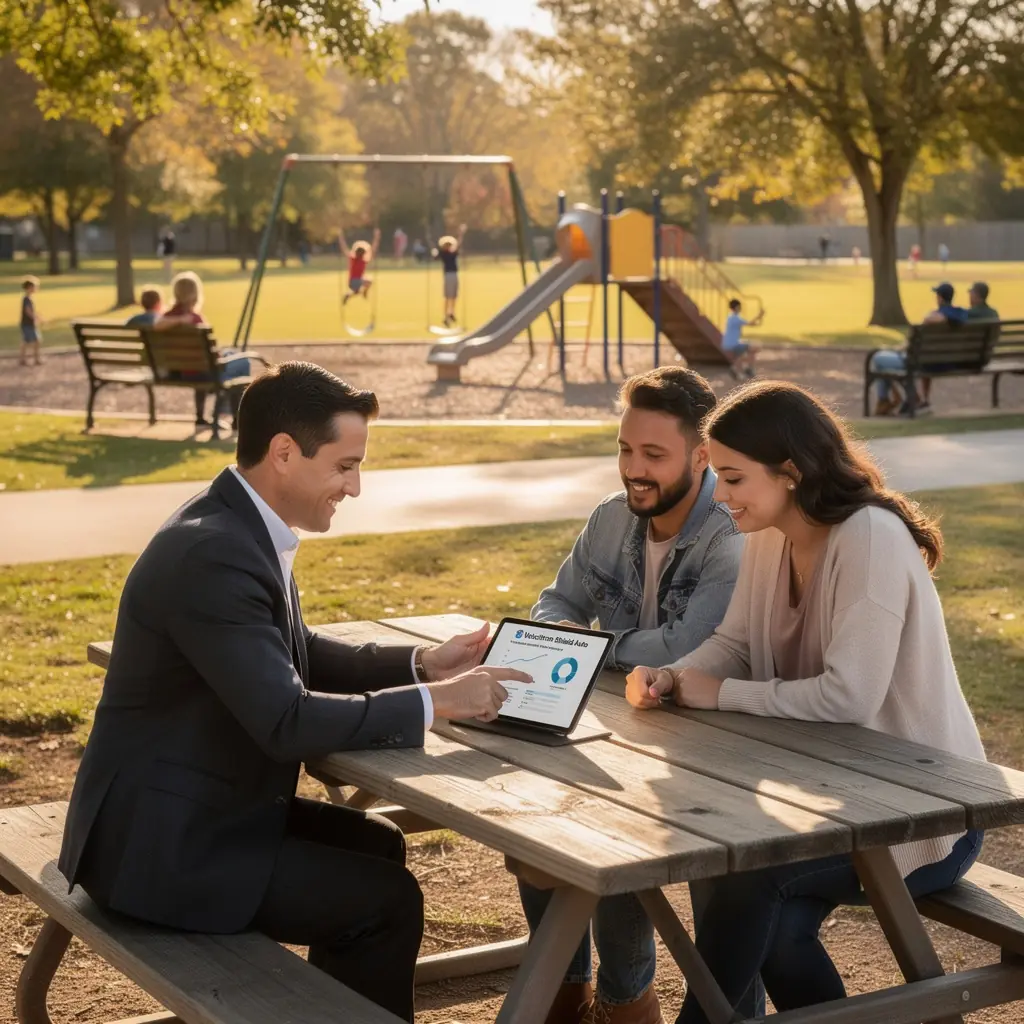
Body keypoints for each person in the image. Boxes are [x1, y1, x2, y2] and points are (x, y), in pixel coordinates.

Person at [57, 362, 527, 1023]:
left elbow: (299, 652)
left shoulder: (234, 523)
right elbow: (286, 721)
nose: (354, 487)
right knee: (385, 901)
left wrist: (424, 663)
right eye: (344, 466)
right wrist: (440, 703)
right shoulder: (214, 554)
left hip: (186, 811)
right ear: (284, 453)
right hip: (157, 852)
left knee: (377, 846)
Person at [626, 380, 986, 1024]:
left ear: (789, 472)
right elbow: (735, 643)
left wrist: (721, 694)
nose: (720, 496)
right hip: (836, 797)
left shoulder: (869, 536)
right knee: (778, 930)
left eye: (734, 478)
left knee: (750, 876)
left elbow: (850, 696)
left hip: (925, 812)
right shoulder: (768, 533)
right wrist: (671, 677)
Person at [523, 366, 753, 1024]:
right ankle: (566, 997)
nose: (633, 469)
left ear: (701, 456)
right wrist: (562, 634)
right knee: (538, 831)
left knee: (630, 850)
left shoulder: (729, 535)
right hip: (622, 723)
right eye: (625, 449)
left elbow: (684, 646)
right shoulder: (608, 518)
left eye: (654, 454)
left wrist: (588, 647)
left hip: (717, 744)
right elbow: (555, 604)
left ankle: (628, 1006)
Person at [157, 271, 251, 430]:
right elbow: (213, 357)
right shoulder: (196, 320)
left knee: (231, 355)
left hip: (180, 372)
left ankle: (201, 417)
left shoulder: (167, 317)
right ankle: (236, 418)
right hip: (202, 372)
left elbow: (157, 324)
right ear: (195, 293)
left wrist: (179, 320)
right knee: (243, 363)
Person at [869, 282, 967, 415]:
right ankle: (897, 399)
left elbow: (914, 341)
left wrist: (930, 318)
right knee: (885, 365)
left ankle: (890, 399)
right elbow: (960, 316)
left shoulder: (933, 318)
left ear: (939, 298)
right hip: (946, 361)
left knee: (877, 359)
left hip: (922, 363)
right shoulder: (960, 314)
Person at [434, 223, 467, 327]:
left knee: (454, 296)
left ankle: (451, 312)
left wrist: (461, 234)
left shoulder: (452, 253)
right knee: (448, 296)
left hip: (454, 274)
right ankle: (446, 315)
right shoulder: (443, 253)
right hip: (448, 275)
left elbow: (458, 245)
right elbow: (436, 257)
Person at [722, 299, 763, 379]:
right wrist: (759, 316)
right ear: (737, 307)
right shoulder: (735, 318)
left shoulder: (730, 317)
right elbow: (751, 323)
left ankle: (737, 369)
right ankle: (748, 368)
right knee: (754, 347)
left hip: (729, 343)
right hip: (733, 344)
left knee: (742, 354)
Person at [339, 227, 381, 306]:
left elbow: (344, 249)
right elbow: (344, 248)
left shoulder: (358, 260)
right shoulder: (357, 260)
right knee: (368, 282)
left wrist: (377, 237)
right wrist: (377, 237)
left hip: (355, 280)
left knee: (357, 291)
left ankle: (348, 295)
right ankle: (364, 293)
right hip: (355, 280)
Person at [19, 276, 43, 367]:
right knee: (34, 341)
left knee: (28, 341)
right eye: (35, 286)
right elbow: (28, 311)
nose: (36, 288)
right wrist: (35, 318)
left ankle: (25, 359)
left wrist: (37, 316)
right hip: (28, 324)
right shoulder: (27, 299)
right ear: (29, 287)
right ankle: (35, 359)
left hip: (29, 324)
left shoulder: (28, 298)